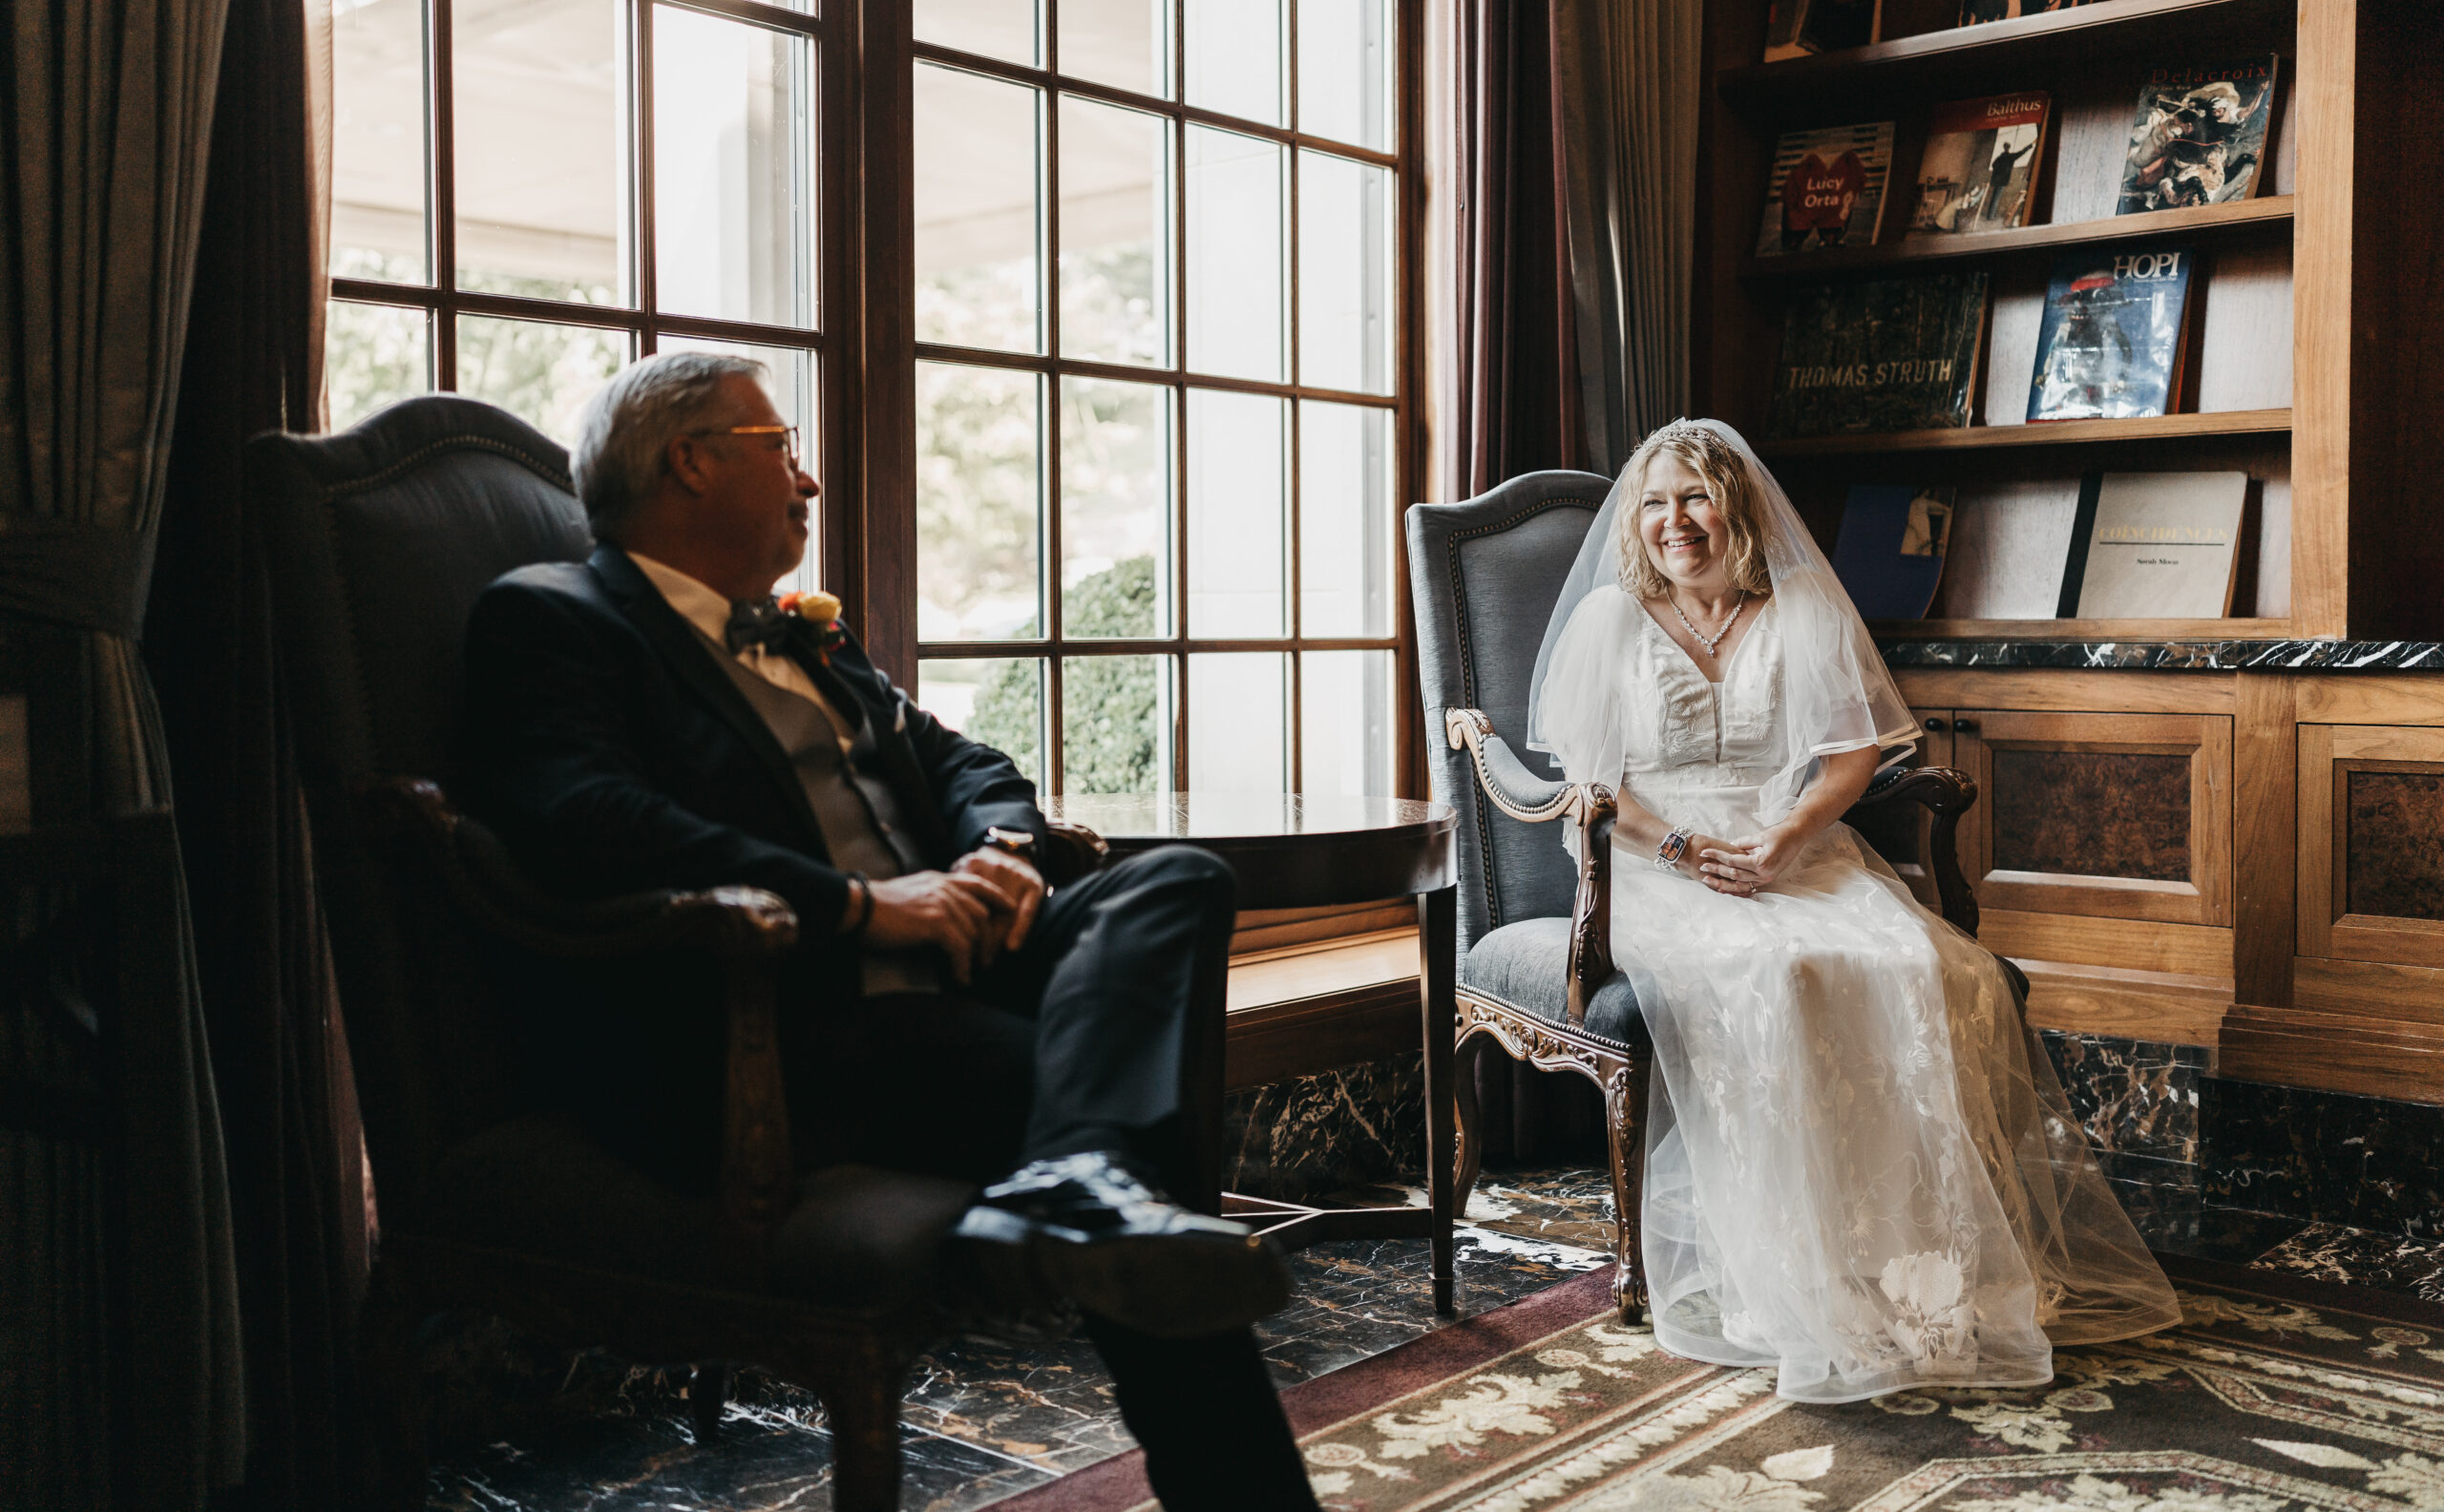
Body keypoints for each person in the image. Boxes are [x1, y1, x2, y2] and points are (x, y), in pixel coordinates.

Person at [458, 352, 1320, 1511]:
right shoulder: (550, 618)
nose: (808, 478)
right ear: (690, 463)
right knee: (1131, 1154)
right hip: (785, 1023)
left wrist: (999, 853)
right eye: (781, 447)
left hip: (950, 967)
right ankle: (1211, 1426)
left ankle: (1073, 1177)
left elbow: (963, 761)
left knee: (1172, 881)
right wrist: (864, 905)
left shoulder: (806, 634)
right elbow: (591, 822)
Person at [1527, 419, 2180, 1404]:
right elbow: (1592, 783)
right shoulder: (1610, 620)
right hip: (1651, 864)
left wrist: (1787, 839)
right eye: (1655, 502)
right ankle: (1795, 1266)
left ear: (1737, 506)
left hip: (1792, 844)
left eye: (1695, 497)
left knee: (1924, 964)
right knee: (1777, 972)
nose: (1675, 521)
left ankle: (1911, 1264)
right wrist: (1683, 849)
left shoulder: (1799, 609)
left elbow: (1851, 758)